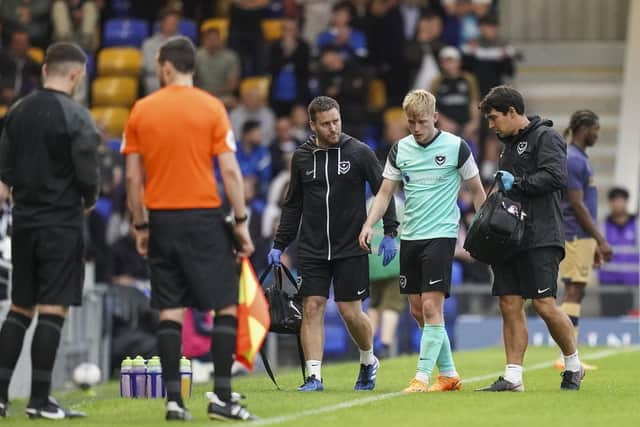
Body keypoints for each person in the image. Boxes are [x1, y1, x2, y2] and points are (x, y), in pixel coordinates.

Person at [122, 36, 256, 421]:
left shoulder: (141, 110)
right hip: (202, 217)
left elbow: (133, 180)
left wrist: (140, 224)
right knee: (225, 304)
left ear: (164, 66)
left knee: (169, 310)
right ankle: (222, 397)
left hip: (161, 219)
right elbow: (230, 170)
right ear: (191, 66)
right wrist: (241, 221)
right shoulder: (211, 107)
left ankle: (174, 402)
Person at [268, 96, 399, 392]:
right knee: (312, 307)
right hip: (312, 248)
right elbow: (293, 205)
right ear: (312, 125)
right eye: (325, 124)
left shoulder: (359, 152)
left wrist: (390, 232)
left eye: (336, 121)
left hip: (351, 246)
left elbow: (383, 191)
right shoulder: (301, 158)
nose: (333, 128)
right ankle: (314, 376)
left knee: (350, 312)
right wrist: (280, 244)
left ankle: (368, 359)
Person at [359, 89, 485, 393]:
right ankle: (450, 374)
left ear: (436, 118)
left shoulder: (456, 147)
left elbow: (478, 191)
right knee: (417, 310)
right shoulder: (400, 149)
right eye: (411, 122)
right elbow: (385, 193)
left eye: (422, 122)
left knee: (431, 308)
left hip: (441, 235)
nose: (416, 128)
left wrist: (485, 231)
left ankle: (421, 377)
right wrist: (369, 224)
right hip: (410, 237)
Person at [0, 42, 99, 419]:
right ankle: (40, 400)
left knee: (19, 308)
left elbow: (5, 170)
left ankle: (0, 396)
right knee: (53, 310)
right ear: (75, 75)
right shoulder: (76, 116)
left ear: (45, 70)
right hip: (61, 223)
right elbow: (88, 173)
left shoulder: (17, 111)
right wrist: (88, 197)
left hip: (23, 221)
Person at [475, 85, 585, 392]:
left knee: (544, 304)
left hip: (541, 234)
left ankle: (573, 365)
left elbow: (555, 177)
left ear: (512, 112)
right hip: (508, 236)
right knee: (509, 303)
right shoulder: (506, 146)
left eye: (495, 117)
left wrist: (518, 182)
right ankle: (513, 377)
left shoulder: (546, 137)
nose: (491, 125)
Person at [555, 110, 613, 371]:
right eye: (595, 129)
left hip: (581, 236)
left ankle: (569, 353)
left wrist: (593, 241)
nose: (597, 134)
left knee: (577, 290)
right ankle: (565, 355)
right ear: (583, 127)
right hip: (574, 233)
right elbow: (577, 205)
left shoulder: (580, 158)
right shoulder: (574, 160)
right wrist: (600, 239)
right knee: (572, 290)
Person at [598, 187, 639, 316]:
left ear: (626, 202)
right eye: (615, 201)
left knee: (631, 322)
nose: (618, 204)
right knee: (608, 319)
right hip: (607, 284)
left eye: (621, 200)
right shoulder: (602, 226)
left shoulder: (637, 225)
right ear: (610, 203)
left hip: (632, 285)